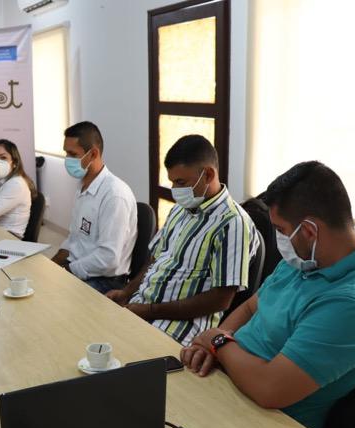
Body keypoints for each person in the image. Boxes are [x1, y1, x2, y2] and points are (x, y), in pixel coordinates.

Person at [180, 161, 355, 428]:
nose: (279, 239)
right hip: (228, 388)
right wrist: (216, 344)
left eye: (280, 230)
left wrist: (218, 341)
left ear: (310, 231)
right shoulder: (306, 261)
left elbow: (270, 390)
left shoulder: (353, 306)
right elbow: (250, 307)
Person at [106, 135, 259, 346]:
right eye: (172, 182)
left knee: (123, 360)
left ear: (208, 174)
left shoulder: (232, 223)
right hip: (142, 307)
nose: (175, 190)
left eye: (181, 182)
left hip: (179, 326)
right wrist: (127, 292)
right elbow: (155, 259)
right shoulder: (181, 209)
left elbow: (221, 299)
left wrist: (151, 311)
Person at [51, 121, 137, 293]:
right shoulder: (83, 186)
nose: (67, 159)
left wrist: (68, 271)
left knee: (54, 302)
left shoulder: (114, 195)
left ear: (93, 154)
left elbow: (108, 258)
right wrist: (50, 265)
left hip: (105, 281)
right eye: (65, 153)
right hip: (80, 268)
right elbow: (74, 239)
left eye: (72, 154)